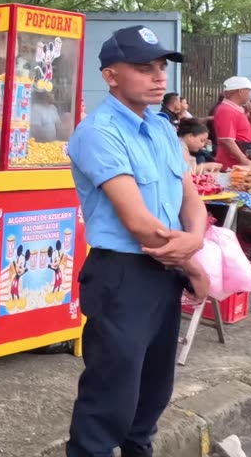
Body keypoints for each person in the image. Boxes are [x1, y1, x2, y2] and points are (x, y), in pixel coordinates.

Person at [65, 26, 208, 457]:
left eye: (162, 67)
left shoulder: (163, 128)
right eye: (144, 68)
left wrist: (195, 242)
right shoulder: (98, 132)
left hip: (163, 275)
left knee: (153, 390)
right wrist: (192, 262)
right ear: (111, 76)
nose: (159, 77)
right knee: (112, 394)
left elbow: (192, 200)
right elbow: (140, 224)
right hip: (123, 276)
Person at [212, 76, 251, 168]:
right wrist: (245, 161)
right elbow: (226, 140)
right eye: (249, 91)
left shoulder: (236, 109)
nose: (250, 95)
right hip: (233, 165)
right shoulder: (226, 110)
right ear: (241, 91)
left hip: (239, 163)